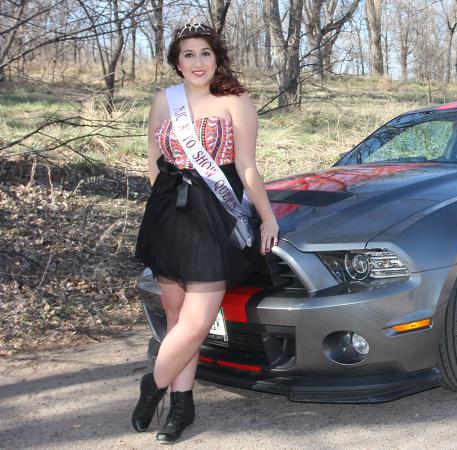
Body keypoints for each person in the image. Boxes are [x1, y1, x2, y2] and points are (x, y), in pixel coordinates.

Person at [131, 21, 279, 444]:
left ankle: (152, 384)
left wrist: (266, 218)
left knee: (196, 324)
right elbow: (152, 161)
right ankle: (181, 405)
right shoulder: (165, 100)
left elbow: (248, 167)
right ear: (177, 63)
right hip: (170, 213)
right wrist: (165, 203)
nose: (197, 62)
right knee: (176, 317)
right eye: (188, 55)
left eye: (205, 53)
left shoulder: (236, 100)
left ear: (217, 57)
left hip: (217, 214)